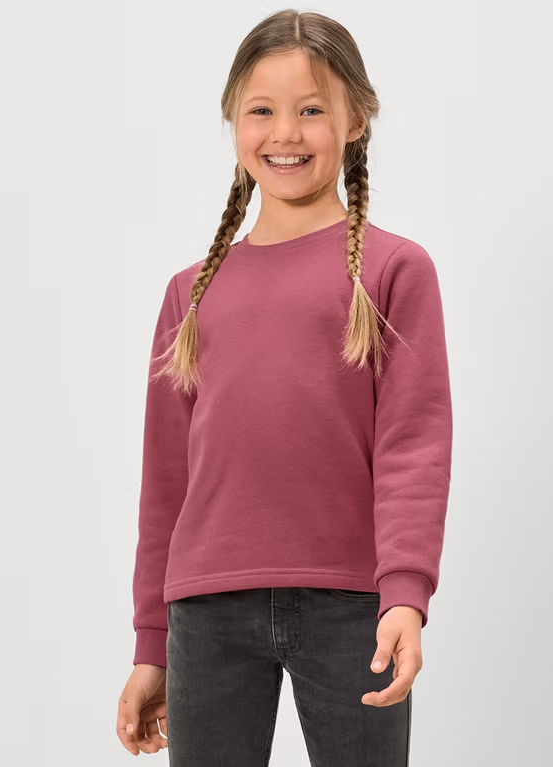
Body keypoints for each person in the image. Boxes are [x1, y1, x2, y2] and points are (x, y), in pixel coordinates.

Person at [117, 9, 453, 765]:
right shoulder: (190, 294)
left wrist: (405, 593)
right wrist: (150, 643)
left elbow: (414, 446)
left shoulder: (395, 272)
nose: (286, 134)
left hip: (353, 608)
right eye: (261, 111)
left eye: (311, 111)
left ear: (356, 120)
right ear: (233, 122)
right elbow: (165, 480)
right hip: (205, 613)